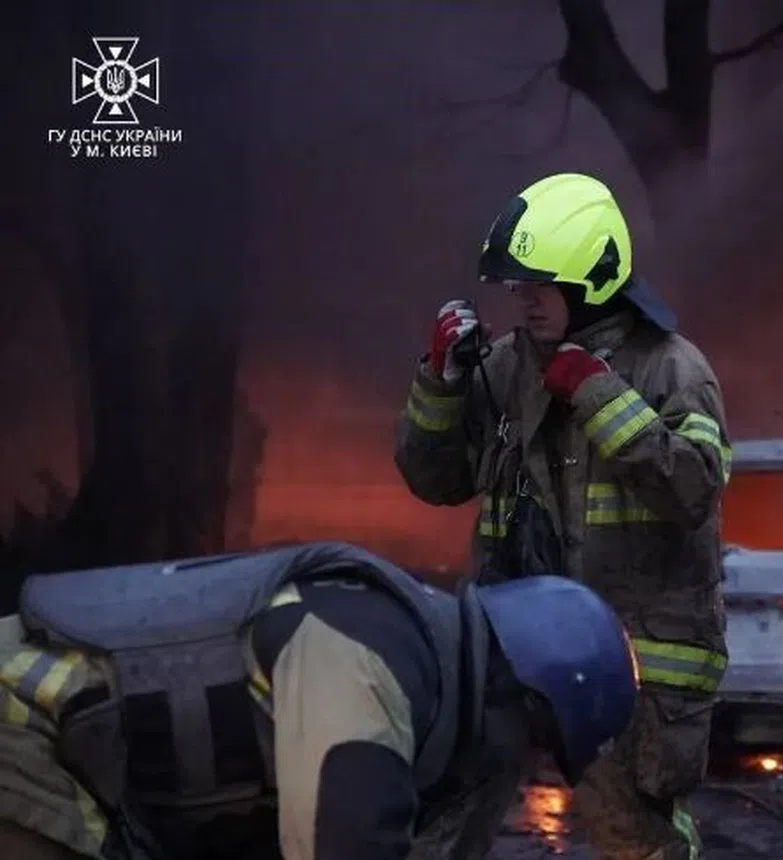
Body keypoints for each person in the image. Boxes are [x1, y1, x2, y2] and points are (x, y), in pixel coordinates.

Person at [395, 172, 732, 859]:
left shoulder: (673, 370)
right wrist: (442, 383)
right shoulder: (504, 368)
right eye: (516, 287)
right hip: (511, 644)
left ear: (593, 280)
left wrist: (600, 396)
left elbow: (694, 490)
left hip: (635, 655)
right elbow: (434, 480)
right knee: (442, 826)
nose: (524, 301)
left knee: (633, 840)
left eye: (538, 286)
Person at [0, 540, 638, 860]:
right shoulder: (367, 655)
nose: (524, 772)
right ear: (518, 695)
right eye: (535, 748)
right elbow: (344, 844)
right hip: (20, 731)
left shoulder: (418, 665)